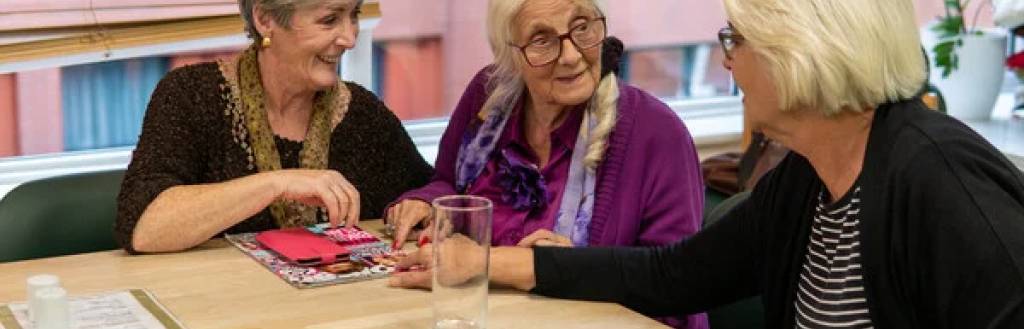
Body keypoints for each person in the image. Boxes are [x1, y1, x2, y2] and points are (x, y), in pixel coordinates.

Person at [390, 0, 1024, 327]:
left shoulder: (939, 179)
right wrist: (486, 263)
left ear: (798, 55)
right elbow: (673, 276)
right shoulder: (808, 178)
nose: (728, 62)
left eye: (737, 42)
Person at [385, 0, 707, 327]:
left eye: (582, 28)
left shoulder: (657, 134)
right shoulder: (488, 97)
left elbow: (674, 289)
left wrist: (551, 268)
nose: (570, 56)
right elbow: (449, 183)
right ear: (511, 54)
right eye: (542, 40)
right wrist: (426, 200)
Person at [115, 0, 433, 253]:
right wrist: (277, 184)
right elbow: (145, 228)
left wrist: (426, 208)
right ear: (266, 19)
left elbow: (433, 195)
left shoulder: (363, 114)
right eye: (329, 20)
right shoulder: (191, 95)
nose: (350, 38)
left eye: (354, 15)